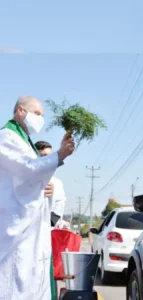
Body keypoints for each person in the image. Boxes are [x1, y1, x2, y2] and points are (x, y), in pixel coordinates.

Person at [0, 96, 74, 300]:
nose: (40, 119)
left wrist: (42, 187)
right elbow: (27, 170)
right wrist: (59, 156)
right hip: (16, 226)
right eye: (37, 113)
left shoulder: (23, 140)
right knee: (16, 282)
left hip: (30, 227)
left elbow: (29, 177)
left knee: (30, 279)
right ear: (20, 111)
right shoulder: (7, 137)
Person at [35, 141, 66, 228]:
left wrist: (50, 222)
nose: (48, 160)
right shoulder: (22, 178)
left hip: (47, 230)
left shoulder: (57, 183)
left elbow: (60, 202)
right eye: (43, 156)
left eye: (50, 156)